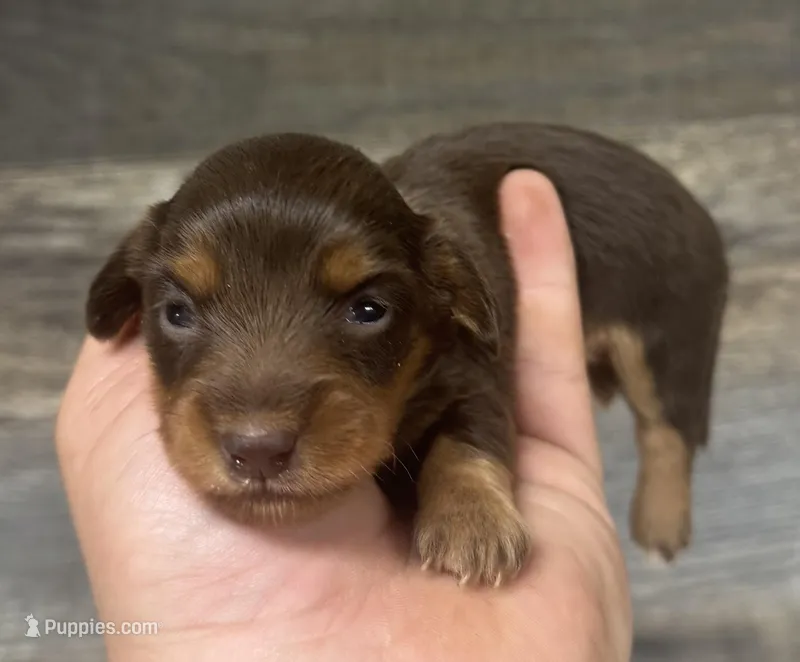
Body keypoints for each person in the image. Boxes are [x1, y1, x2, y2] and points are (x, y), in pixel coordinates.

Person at [56, 171, 633, 661]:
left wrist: (466, 478)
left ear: (443, 296)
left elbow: (470, 392)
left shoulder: (442, 351)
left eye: (366, 310)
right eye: (180, 314)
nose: (258, 432)